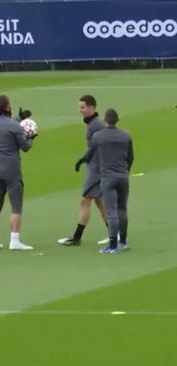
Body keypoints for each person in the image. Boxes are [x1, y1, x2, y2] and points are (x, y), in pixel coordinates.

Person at [75, 109, 133, 254]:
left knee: (111, 210)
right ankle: (123, 242)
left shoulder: (98, 136)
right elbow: (131, 157)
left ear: (106, 120)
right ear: (117, 120)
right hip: (123, 176)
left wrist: (81, 161)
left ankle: (113, 246)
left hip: (108, 177)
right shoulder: (126, 135)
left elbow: (89, 154)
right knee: (122, 209)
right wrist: (126, 171)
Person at [58, 95, 109, 246]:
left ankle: (77, 237)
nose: (80, 110)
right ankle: (115, 233)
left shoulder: (96, 125)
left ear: (93, 107)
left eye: (83, 107)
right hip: (95, 167)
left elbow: (99, 146)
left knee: (85, 201)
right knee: (100, 203)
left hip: (96, 170)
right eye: (80, 107)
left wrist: (85, 158)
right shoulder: (92, 123)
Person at [0, 95, 36, 250]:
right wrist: (31, 137)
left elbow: (6, 125)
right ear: (8, 106)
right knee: (16, 206)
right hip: (12, 170)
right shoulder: (14, 126)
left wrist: (18, 118)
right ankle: (14, 241)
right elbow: (26, 147)